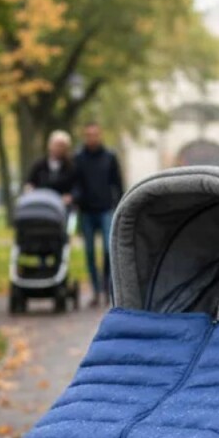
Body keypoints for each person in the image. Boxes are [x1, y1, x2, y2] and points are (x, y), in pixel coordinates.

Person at [71, 122, 123, 306]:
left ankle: (107, 287)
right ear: (85, 136)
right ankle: (96, 291)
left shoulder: (110, 157)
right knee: (90, 253)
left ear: (99, 135)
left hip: (106, 209)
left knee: (109, 251)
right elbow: (75, 183)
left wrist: (120, 205)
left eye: (95, 134)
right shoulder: (78, 158)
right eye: (88, 135)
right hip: (86, 211)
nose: (92, 138)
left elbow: (117, 183)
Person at [25, 130, 74, 195]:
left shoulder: (71, 167)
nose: (58, 149)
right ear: (50, 145)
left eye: (61, 146)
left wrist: (71, 196)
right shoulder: (39, 165)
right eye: (56, 145)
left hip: (62, 202)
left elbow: (76, 188)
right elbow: (30, 183)